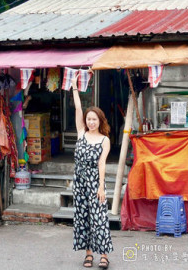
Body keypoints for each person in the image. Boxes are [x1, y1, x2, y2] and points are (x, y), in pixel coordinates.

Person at [71, 77, 113, 269]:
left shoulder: (104, 140)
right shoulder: (81, 132)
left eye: (94, 119)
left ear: (100, 121)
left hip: (95, 182)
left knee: (99, 219)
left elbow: (102, 164)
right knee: (83, 217)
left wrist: (101, 187)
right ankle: (88, 254)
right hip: (79, 182)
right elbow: (78, 108)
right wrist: (74, 89)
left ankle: (104, 255)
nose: (91, 122)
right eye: (89, 119)